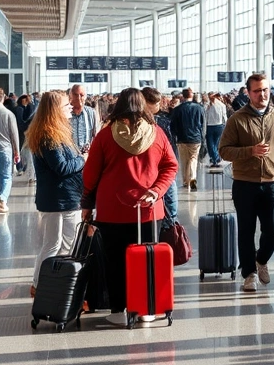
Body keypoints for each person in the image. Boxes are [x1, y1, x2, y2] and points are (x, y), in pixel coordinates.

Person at [81, 88, 178, 326]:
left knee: (115, 262)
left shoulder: (105, 136)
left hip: (112, 209)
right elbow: (171, 166)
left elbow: (90, 176)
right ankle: (146, 309)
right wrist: (156, 191)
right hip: (148, 210)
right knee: (146, 259)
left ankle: (118, 310)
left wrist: (87, 203)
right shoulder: (156, 134)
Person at [218, 74, 274, 292]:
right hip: (245, 183)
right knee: (246, 230)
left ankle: (261, 259)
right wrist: (250, 151)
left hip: (273, 181)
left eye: (265, 89)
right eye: (257, 91)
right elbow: (224, 150)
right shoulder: (237, 119)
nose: (262, 94)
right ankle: (249, 274)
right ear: (248, 93)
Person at [26, 91, 84, 298]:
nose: (71, 107)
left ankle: (40, 283)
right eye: (67, 105)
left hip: (59, 197)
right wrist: (82, 158)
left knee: (53, 244)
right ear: (55, 111)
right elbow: (61, 167)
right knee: (61, 244)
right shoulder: (49, 136)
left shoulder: (49, 133)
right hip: (60, 199)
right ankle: (49, 285)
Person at [142, 87, 179, 229]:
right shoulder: (162, 120)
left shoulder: (160, 121)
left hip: (155, 168)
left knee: (167, 200)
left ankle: (168, 226)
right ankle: (170, 228)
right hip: (161, 168)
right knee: (169, 200)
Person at [170, 88, 205, 191]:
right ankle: (192, 180)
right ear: (192, 95)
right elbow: (203, 125)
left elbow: (173, 125)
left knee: (184, 160)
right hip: (195, 138)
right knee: (193, 159)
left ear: (183, 96)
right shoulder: (199, 108)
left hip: (181, 139)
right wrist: (203, 138)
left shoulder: (178, 109)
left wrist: (176, 135)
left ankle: (185, 181)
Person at [68, 84, 100, 154]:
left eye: (82, 95)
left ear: (85, 97)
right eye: (75, 95)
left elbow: (96, 135)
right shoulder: (65, 113)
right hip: (69, 156)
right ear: (70, 96)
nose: (79, 98)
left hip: (87, 156)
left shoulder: (91, 113)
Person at [205, 92, 227, 167]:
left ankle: (214, 158)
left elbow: (205, 117)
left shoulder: (207, 105)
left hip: (209, 126)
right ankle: (215, 157)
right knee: (216, 143)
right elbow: (225, 117)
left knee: (210, 144)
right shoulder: (222, 105)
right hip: (219, 126)